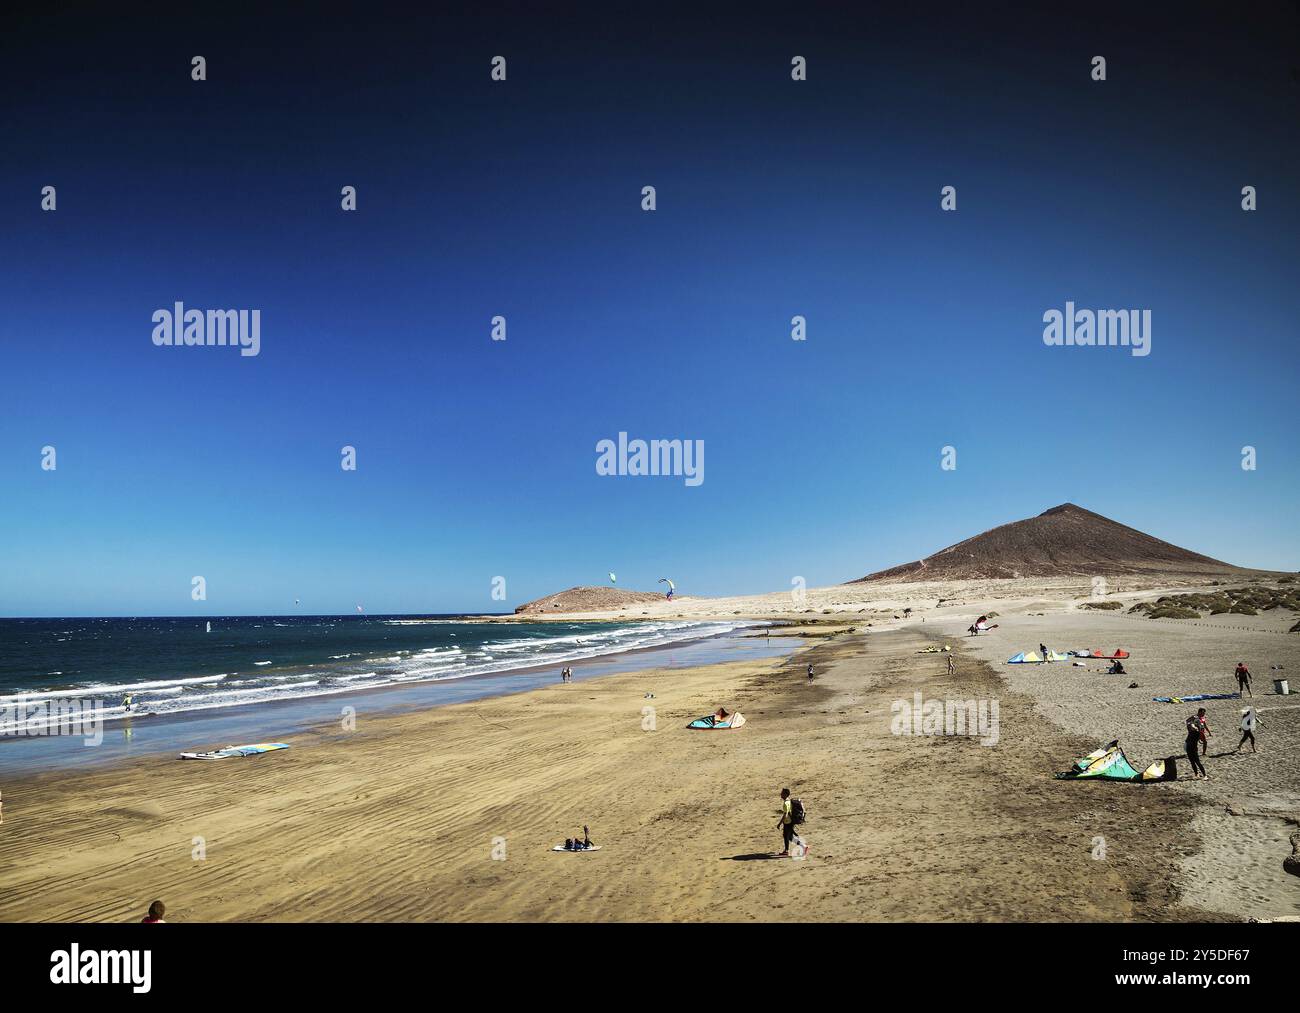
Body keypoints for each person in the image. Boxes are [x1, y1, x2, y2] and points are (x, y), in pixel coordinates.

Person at [1185, 714, 1208, 779]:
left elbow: (1192, 726)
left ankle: (1205, 775)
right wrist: (1192, 717)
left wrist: (1194, 724)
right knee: (1192, 762)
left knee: (1197, 762)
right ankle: (1196, 774)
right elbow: (1188, 722)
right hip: (1188, 747)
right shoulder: (1191, 730)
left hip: (1193, 748)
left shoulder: (1198, 732)